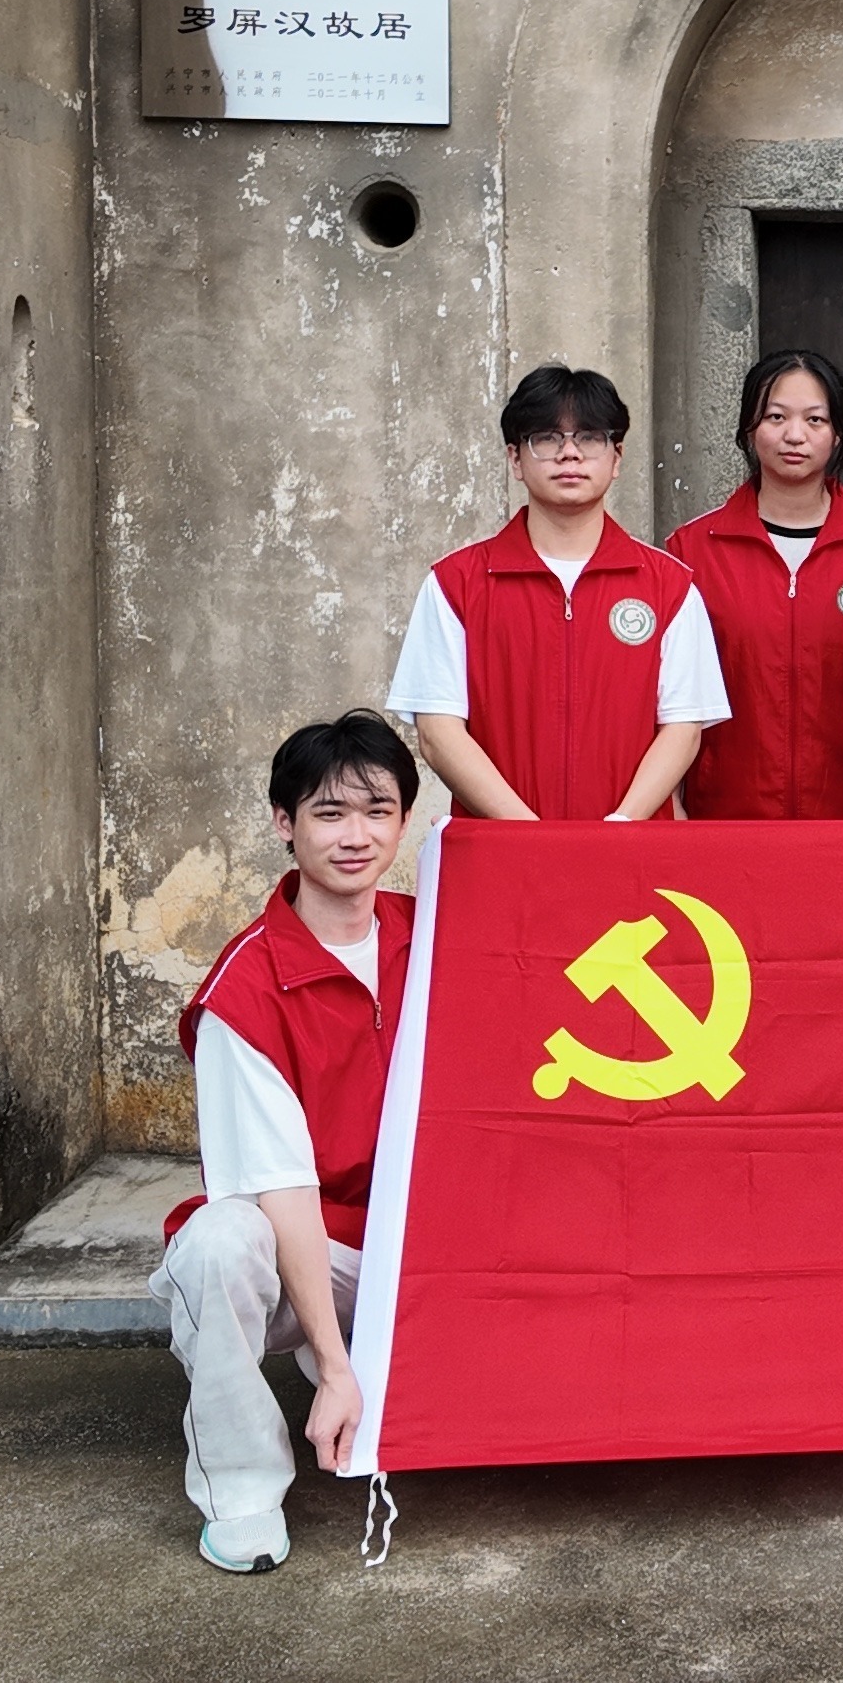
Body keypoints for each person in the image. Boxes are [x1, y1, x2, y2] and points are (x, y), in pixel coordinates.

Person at [149, 714, 424, 1574]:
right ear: (284, 823)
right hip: (317, 1246)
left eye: (377, 812)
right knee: (218, 1242)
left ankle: (368, 1359)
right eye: (329, 814)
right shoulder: (247, 989)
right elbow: (284, 1191)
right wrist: (337, 1368)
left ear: (404, 823)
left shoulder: (436, 937)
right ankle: (242, 1488)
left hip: (418, 1247)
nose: (356, 836)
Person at [387, 363, 726, 820]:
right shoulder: (456, 584)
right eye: (547, 438)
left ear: (617, 457)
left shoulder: (669, 586)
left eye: (589, 437)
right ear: (515, 459)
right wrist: (530, 838)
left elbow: (683, 729)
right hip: (501, 849)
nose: (569, 454)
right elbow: (439, 732)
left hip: (631, 847)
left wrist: (620, 828)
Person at [666, 350, 843, 820]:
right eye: (776, 417)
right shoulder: (691, 551)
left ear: (838, 433)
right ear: (749, 428)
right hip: (725, 822)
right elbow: (666, 704)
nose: (794, 435)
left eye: (815, 419)